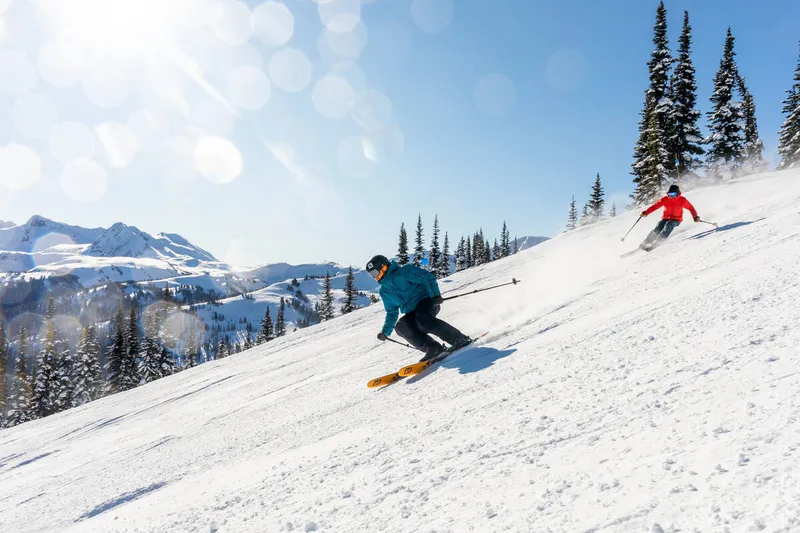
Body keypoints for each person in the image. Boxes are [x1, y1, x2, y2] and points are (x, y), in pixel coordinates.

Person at [366, 254, 472, 361]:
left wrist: (436, 295)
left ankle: (458, 339)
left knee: (422, 320)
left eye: (374, 273)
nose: (374, 277)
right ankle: (433, 348)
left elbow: (427, 278)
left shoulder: (404, 272)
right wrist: (385, 331)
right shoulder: (384, 291)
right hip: (412, 312)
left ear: (384, 267)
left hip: (427, 302)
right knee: (401, 327)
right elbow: (392, 312)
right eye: (371, 275)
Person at [639, 184, 700, 251]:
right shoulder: (665, 199)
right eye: (670, 194)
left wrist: (695, 216)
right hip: (665, 218)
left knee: (669, 224)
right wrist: (646, 212)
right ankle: (647, 242)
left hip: (676, 219)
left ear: (677, 193)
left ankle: (657, 243)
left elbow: (691, 208)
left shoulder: (682, 200)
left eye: (673, 194)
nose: (671, 196)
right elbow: (655, 206)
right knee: (659, 226)